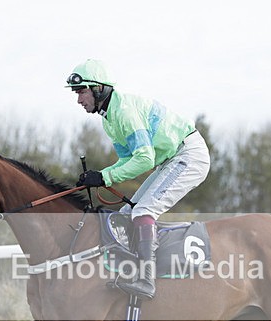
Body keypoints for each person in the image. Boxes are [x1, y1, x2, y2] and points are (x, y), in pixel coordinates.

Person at [66, 59, 211, 299]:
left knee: (143, 211)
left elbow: (144, 159)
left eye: (82, 92)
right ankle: (129, 273)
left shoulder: (124, 112)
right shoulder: (109, 119)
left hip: (189, 155)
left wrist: (105, 177)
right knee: (125, 214)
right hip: (169, 160)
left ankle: (147, 280)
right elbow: (128, 160)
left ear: (99, 89)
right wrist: (100, 176)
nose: (79, 100)